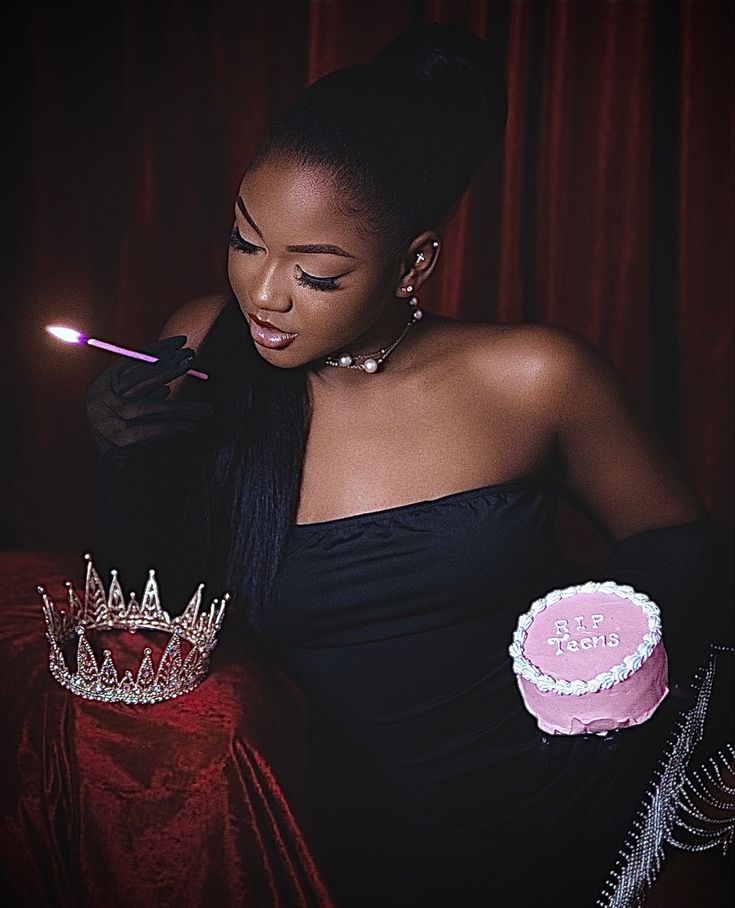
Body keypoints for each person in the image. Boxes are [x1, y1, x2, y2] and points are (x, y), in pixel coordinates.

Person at [86, 23, 733, 907]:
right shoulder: (204, 348)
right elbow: (150, 636)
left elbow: (678, 545)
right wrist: (123, 466)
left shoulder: (535, 377)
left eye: (314, 274)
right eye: (244, 242)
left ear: (411, 263)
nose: (262, 293)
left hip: (570, 806)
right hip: (334, 845)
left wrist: (583, 652)